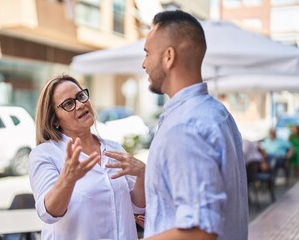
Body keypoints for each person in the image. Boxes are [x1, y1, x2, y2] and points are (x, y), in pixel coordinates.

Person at [106, 10, 248, 240]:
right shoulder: (217, 112)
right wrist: (160, 217)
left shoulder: (185, 126)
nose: (144, 64)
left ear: (168, 57)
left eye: (147, 53)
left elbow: (200, 231)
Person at [28, 74, 145, 240]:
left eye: (80, 96)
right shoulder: (45, 154)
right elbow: (48, 213)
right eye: (68, 103)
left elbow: (137, 206)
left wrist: (141, 174)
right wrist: (68, 180)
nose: (81, 104)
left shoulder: (113, 148)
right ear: (54, 120)